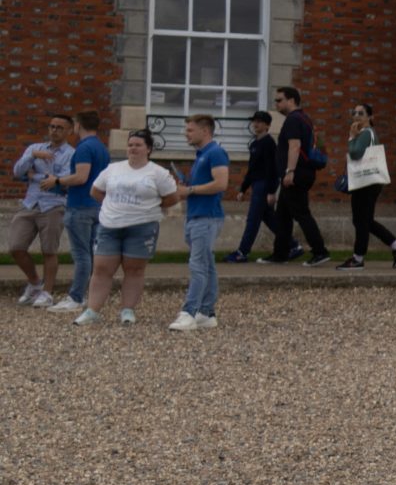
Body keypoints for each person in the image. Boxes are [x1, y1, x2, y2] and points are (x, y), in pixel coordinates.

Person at [72, 129, 179, 327]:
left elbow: (171, 197)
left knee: (134, 270)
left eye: (138, 145)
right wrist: (115, 207)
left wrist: (146, 209)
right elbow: (96, 191)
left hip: (142, 227)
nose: (133, 148)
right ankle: (92, 310)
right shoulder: (113, 169)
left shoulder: (158, 173)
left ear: (148, 149)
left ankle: (127, 310)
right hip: (110, 225)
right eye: (130, 145)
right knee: (102, 268)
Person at [10, 112, 74, 307]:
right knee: (15, 247)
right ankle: (35, 283)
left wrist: (34, 176)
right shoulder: (34, 148)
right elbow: (17, 172)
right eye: (52, 127)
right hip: (30, 203)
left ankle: (47, 293)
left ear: (69, 131)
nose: (54, 131)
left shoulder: (72, 154)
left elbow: (61, 182)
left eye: (59, 128)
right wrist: (32, 157)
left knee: (49, 251)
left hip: (54, 206)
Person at [336, 101, 396, 270]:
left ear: (370, 117)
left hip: (365, 184)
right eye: (354, 113)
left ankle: (358, 258)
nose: (356, 116)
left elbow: (355, 153)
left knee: (361, 220)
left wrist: (351, 137)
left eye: (361, 113)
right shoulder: (367, 133)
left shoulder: (365, 134)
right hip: (369, 183)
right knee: (364, 221)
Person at [171, 113, 229, 331]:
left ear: (205, 131)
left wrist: (190, 189)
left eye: (190, 130)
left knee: (198, 266)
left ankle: (189, 312)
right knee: (207, 264)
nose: (186, 134)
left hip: (207, 217)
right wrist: (187, 186)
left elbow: (221, 183)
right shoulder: (201, 155)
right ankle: (206, 312)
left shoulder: (216, 153)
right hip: (197, 216)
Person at [262, 86, 330, 266]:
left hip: (296, 174)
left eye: (279, 100)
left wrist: (289, 171)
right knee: (283, 216)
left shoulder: (293, 120)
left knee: (301, 213)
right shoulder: (304, 118)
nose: (276, 103)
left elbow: (295, 146)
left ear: (291, 100)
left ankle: (320, 251)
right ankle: (280, 254)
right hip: (301, 173)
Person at [50, 111, 111, 313]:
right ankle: (89, 295)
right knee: (92, 254)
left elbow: (81, 177)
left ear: (78, 125)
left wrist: (56, 181)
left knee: (81, 255)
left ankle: (76, 297)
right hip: (96, 206)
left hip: (80, 206)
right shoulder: (102, 148)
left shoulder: (84, 148)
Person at [224, 110, 278, 262]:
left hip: (264, 186)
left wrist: (271, 191)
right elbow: (252, 169)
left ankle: (242, 252)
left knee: (253, 219)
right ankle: (293, 245)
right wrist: (243, 188)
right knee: (269, 218)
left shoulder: (269, 143)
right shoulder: (254, 144)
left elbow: (273, 169)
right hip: (256, 184)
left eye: (259, 122)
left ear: (267, 125)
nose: (256, 124)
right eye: (254, 121)